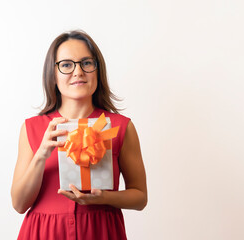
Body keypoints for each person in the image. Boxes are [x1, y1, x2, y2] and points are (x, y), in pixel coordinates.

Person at [11, 30, 147, 240]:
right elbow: (19, 204)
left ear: (97, 70)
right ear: (53, 74)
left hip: (100, 233)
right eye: (66, 65)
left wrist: (104, 198)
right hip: (43, 234)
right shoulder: (33, 128)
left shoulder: (120, 127)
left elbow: (140, 197)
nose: (78, 72)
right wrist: (41, 155)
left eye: (86, 63)